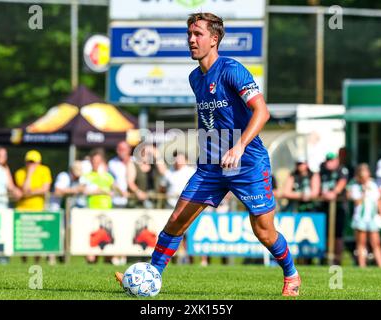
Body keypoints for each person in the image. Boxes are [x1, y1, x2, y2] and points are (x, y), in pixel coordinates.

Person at [116, 12, 300, 297]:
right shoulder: (195, 78)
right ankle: (149, 277)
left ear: (214, 39)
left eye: (197, 34)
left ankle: (291, 274)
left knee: (263, 231)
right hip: (211, 167)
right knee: (178, 218)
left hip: (248, 162)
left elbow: (262, 112)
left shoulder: (232, 70)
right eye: (189, 34)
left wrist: (238, 147)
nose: (191, 39)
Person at [15, 150, 52, 263]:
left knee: (37, 238)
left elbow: (45, 189)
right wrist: (30, 174)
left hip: (38, 208)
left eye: (33, 162)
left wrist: (29, 193)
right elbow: (24, 189)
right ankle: (24, 262)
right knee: (24, 239)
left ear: (39, 162)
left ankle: (37, 262)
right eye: (29, 162)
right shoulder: (20, 173)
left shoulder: (44, 170)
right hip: (22, 209)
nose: (31, 164)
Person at [348, 163, 381, 268]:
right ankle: (362, 266)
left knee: (376, 243)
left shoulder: (374, 184)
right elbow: (357, 202)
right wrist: (363, 191)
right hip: (360, 218)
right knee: (361, 244)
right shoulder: (355, 185)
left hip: (372, 218)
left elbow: (379, 201)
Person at [318, 152, 349, 265]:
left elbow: (341, 184)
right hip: (325, 207)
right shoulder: (322, 171)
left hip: (338, 207)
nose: (329, 163)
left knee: (337, 235)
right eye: (328, 160)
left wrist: (334, 193)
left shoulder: (342, 170)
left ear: (337, 160)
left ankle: (337, 260)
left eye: (331, 160)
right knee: (324, 233)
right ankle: (325, 258)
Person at [108, 141, 131, 208]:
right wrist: (120, 191)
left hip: (133, 199)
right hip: (117, 200)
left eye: (123, 149)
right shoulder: (112, 163)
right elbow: (110, 181)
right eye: (119, 149)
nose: (121, 151)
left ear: (129, 150)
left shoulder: (135, 161)